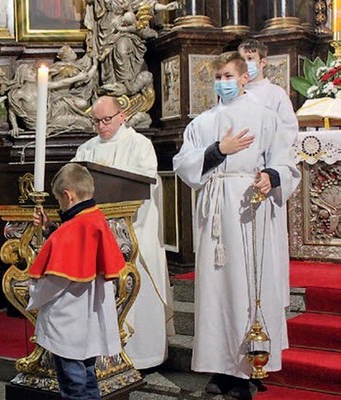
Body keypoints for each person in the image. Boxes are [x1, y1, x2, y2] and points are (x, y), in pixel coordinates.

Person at [173, 51, 300, 399]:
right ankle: (220, 366)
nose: (222, 83)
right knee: (216, 291)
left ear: (245, 77)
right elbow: (183, 163)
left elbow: (286, 163)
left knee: (248, 288)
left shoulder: (264, 117)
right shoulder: (202, 122)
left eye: (228, 76)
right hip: (216, 212)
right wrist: (218, 150)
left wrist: (270, 176)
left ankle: (247, 369)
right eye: (217, 77)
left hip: (252, 210)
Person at [72, 95, 173, 370]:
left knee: (135, 286)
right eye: (96, 121)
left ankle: (143, 356)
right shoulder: (86, 149)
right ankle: (100, 353)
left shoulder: (140, 145)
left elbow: (145, 184)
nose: (102, 126)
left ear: (122, 115)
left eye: (107, 119)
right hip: (95, 236)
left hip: (133, 230)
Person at [28, 163, 126, 400]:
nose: (59, 205)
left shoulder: (70, 231)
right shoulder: (95, 218)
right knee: (88, 375)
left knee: (73, 385)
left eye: (58, 200)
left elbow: (55, 281)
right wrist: (50, 227)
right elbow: (79, 251)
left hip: (69, 319)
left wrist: (34, 294)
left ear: (67, 195)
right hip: (90, 316)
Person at [238, 38, 299, 311]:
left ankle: (271, 299)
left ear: (263, 62)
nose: (246, 65)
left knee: (266, 244)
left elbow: (288, 133)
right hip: (238, 177)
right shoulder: (233, 95)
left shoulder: (275, 94)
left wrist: (268, 163)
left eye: (251, 59)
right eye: (242, 59)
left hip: (264, 173)